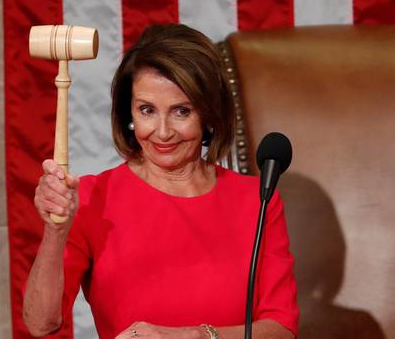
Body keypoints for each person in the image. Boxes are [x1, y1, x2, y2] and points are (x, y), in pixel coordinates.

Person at [23, 24, 299, 339]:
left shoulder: (258, 199)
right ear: (129, 113)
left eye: (181, 111)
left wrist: (196, 336)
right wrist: (55, 232)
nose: (163, 131)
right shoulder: (91, 197)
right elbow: (40, 323)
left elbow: (282, 330)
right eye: (147, 110)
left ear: (209, 114)